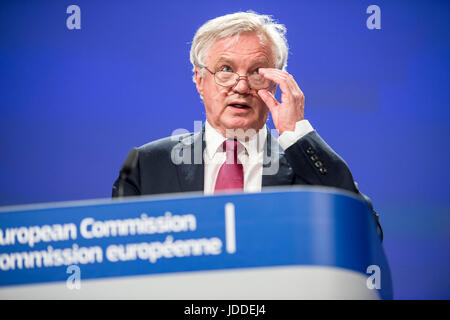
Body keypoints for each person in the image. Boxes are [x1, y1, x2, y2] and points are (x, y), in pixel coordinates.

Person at [112, 11, 382, 240]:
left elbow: (365, 233)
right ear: (199, 79)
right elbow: (119, 258)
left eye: (256, 73)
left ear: (275, 82)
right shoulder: (147, 166)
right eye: (226, 69)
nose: (241, 87)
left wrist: (297, 135)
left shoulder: (306, 168)